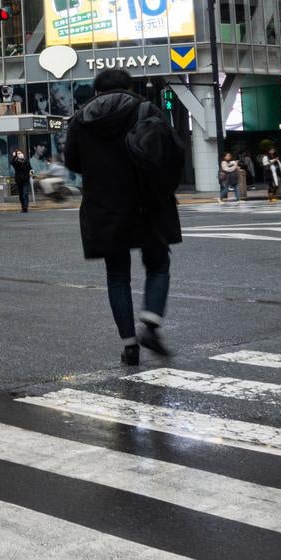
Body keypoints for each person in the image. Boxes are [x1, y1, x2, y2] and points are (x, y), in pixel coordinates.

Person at [65, 69, 182, 365]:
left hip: (104, 205)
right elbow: (167, 150)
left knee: (117, 275)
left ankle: (130, 345)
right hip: (146, 202)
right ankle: (151, 323)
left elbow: (72, 161)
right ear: (129, 86)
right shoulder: (145, 108)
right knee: (158, 263)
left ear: (96, 91)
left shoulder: (81, 119)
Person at [10, 148, 33, 212]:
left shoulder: (26, 162)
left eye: (20, 153)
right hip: (19, 181)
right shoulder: (16, 163)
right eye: (18, 154)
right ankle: (23, 206)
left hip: (26, 180)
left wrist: (31, 174)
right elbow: (12, 162)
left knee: (25, 194)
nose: (20, 154)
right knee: (21, 195)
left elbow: (31, 169)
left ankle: (25, 207)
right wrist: (14, 156)